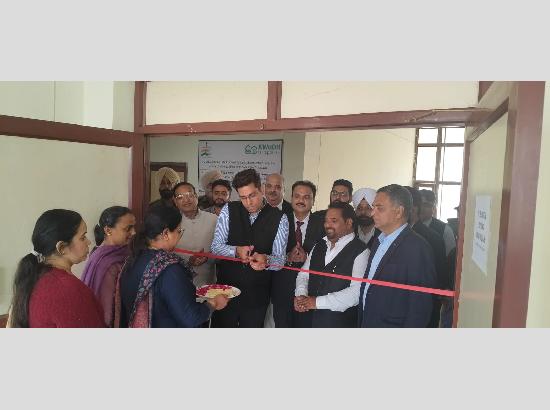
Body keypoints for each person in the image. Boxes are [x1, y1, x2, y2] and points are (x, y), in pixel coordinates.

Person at [117, 205, 228, 328]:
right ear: (165, 233)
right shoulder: (169, 269)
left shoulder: (134, 258)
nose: (180, 235)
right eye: (179, 231)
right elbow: (191, 318)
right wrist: (214, 303)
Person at [210, 168, 289, 327]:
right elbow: (215, 247)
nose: (248, 202)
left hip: (257, 297)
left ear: (262, 189)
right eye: (243, 197)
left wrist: (266, 260)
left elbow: (280, 260)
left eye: (252, 195)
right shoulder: (228, 210)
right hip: (225, 294)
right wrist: (235, 251)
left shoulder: (280, 218)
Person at [8, 209, 104, 328]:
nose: (88, 242)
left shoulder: (37, 276)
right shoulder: (67, 290)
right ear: (62, 247)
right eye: (83, 237)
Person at [359, 184, 436, 328]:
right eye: (373, 207)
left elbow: (419, 307)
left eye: (379, 208)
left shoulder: (417, 248)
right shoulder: (379, 240)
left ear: (399, 212)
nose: (372, 213)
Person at [294, 202, 370, 327]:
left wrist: (316, 302)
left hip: (338, 324)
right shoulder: (319, 245)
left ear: (349, 222)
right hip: (308, 320)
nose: (327, 225)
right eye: (326, 221)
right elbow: (304, 274)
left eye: (333, 221)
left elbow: (356, 292)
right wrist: (301, 295)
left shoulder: (361, 251)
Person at [271, 180, 325, 327]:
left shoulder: (322, 224)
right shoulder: (278, 220)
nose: (301, 200)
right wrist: (287, 257)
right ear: (291, 198)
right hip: (281, 289)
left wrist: (307, 257)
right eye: (297, 196)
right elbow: (268, 251)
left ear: (313, 201)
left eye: (306, 197)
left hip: (309, 291)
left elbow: (329, 256)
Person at [81, 206, 136, 327]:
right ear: (108, 230)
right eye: (128, 228)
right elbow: (106, 308)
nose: (133, 232)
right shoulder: (106, 263)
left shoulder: (122, 252)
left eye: (133, 227)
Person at [405, 186, 447, 328]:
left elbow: (439, 275)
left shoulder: (432, 238)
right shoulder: (389, 235)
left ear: (413, 209)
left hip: (423, 307)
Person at [173, 182, 218, 288]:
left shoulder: (214, 219)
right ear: (175, 201)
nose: (186, 200)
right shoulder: (171, 223)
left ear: (196, 196)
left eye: (189, 195)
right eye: (180, 197)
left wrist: (208, 257)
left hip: (208, 284)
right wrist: (187, 260)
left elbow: (222, 249)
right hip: (179, 283)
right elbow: (165, 253)